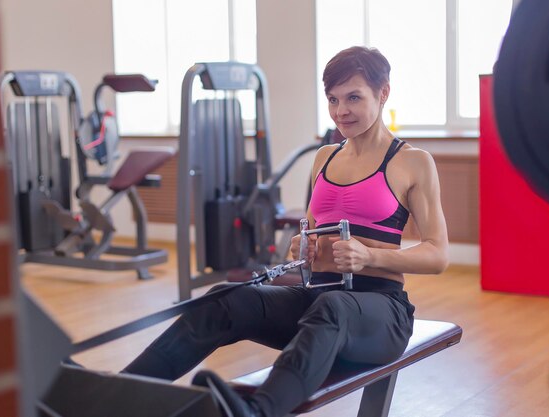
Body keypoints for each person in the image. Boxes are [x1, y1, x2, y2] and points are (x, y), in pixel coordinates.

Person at [122, 46, 449, 417]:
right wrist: (303, 246)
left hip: (382, 313)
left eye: (354, 97)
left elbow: (438, 253)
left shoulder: (412, 161)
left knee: (333, 306)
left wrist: (370, 255)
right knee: (224, 299)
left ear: (383, 93)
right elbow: (311, 231)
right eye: (333, 99)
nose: (341, 111)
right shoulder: (324, 158)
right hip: (319, 303)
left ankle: (258, 412)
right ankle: (115, 394)